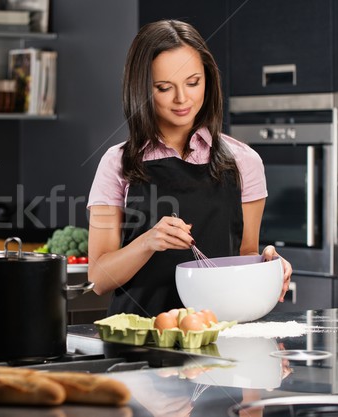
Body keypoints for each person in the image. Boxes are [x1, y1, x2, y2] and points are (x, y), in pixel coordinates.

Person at [87, 19, 292, 317]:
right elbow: (97, 279)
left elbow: (245, 255)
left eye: (193, 83)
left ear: (208, 80)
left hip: (220, 337)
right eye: (164, 88)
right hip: (138, 340)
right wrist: (148, 242)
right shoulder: (117, 163)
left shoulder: (244, 161)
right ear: (141, 89)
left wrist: (268, 267)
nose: (182, 99)